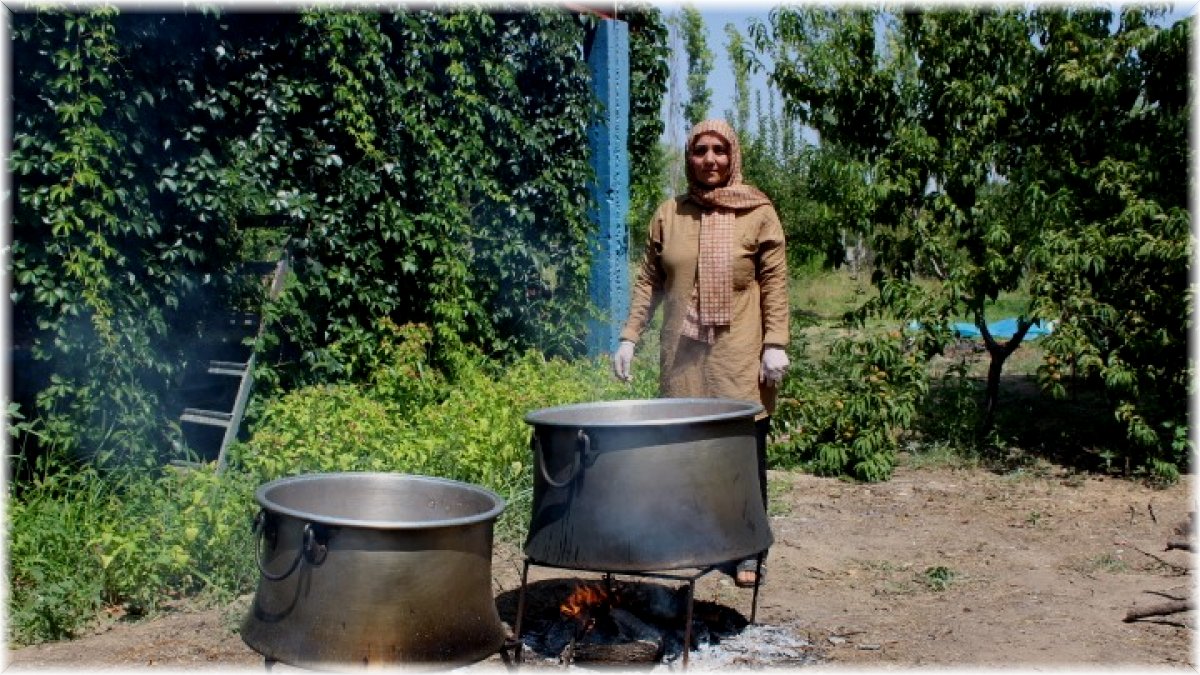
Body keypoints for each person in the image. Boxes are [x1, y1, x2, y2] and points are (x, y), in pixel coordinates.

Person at [611, 119, 789, 588]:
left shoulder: (758, 213)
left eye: (720, 151)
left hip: (737, 355)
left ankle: (749, 549)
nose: (710, 159)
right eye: (699, 150)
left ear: (734, 156)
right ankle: (691, 540)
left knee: (740, 455)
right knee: (684, 454)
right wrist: (630, 336)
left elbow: (774, 284)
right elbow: (649, 281)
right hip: (681, 358)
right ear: (688, 157)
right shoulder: (670, 213)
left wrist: (775, 344)